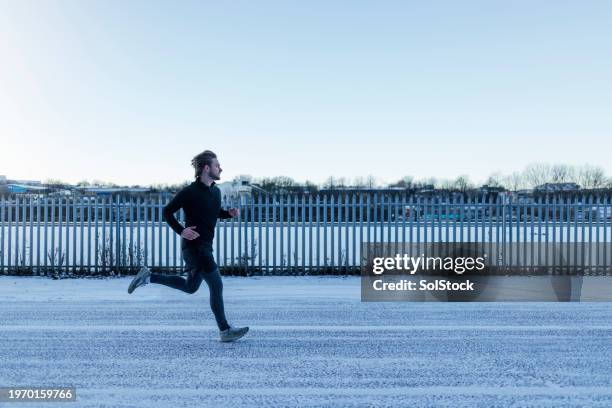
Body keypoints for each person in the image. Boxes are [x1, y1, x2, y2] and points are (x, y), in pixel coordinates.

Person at [128, 150, 249, 342]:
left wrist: (228, 214)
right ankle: (225, 330)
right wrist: (181, 230)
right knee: (216, 285)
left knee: (191, 286)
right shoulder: (190, 192)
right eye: (217, 165)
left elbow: (212, 211)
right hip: (194, 247)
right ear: (206, 168)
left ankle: (149, 277)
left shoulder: (215, 191)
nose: (221, 168)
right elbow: (167, 212)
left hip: (205, 246)